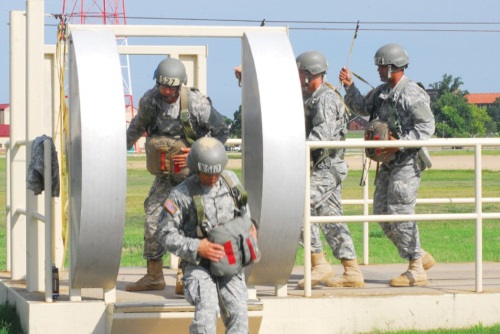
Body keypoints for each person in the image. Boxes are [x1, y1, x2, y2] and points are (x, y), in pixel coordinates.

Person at [125, 58, 229, 293]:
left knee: (189, 224)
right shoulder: (150, 100)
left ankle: (185, 276)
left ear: (180, 84)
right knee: (152, 220)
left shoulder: (196, 103)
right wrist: (116, 150)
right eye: (163, 87)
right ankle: (154, 275)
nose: (167, 92)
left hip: (192, 176)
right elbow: (136, 127)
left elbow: (222, 131)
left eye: (172, 88)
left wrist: (197, 152)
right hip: (164, 174)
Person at [338, 43, 436, 287]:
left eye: (381, 66)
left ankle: (416, 268)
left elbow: (426, 129)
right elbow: (361, 108)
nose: (378, 70)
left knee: (400, 211)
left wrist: (399, 144)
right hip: (388, 162)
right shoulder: (382, 92)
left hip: (406, 161)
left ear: (393, 67)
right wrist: (350, 86)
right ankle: (419, 255)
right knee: (382, 212)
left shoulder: (412, 94)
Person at [155, 137, 257, 334]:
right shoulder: (180, 195)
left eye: (216, 173)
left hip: (229, 261)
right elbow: (164, 232)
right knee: (206, 316)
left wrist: (250, 226)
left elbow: (244, 208)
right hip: (198, 265)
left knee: (239, 314)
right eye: (207, 174)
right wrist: (197, 247)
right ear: (196, 168)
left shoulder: (230, 181)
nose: (212, 178)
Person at [296, 50, 365, 289]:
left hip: (327, 166)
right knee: (331, 219)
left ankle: (319, 264)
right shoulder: (312, 96)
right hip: (325, 166)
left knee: (298, 208)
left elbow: (320, 136)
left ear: (309, 74)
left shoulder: (324, 99)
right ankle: (352, 271)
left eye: (300, 72)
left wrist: (295, 150)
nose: (298, 76)